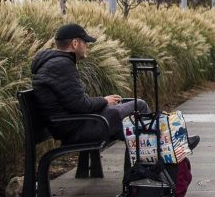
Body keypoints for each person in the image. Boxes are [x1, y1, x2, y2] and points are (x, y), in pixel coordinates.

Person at [31, 23, 199, 151]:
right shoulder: (61, 65)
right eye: (85, 42)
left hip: (75, 124)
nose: (87, 46)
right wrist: (104, 101)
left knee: (134, 121)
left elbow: (74, 102)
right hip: (74, 129)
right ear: (75, 43)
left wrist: (102, 103)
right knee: (136, 107)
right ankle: (175, 144)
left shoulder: (56, 63)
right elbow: (80, 105)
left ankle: (171, 147)